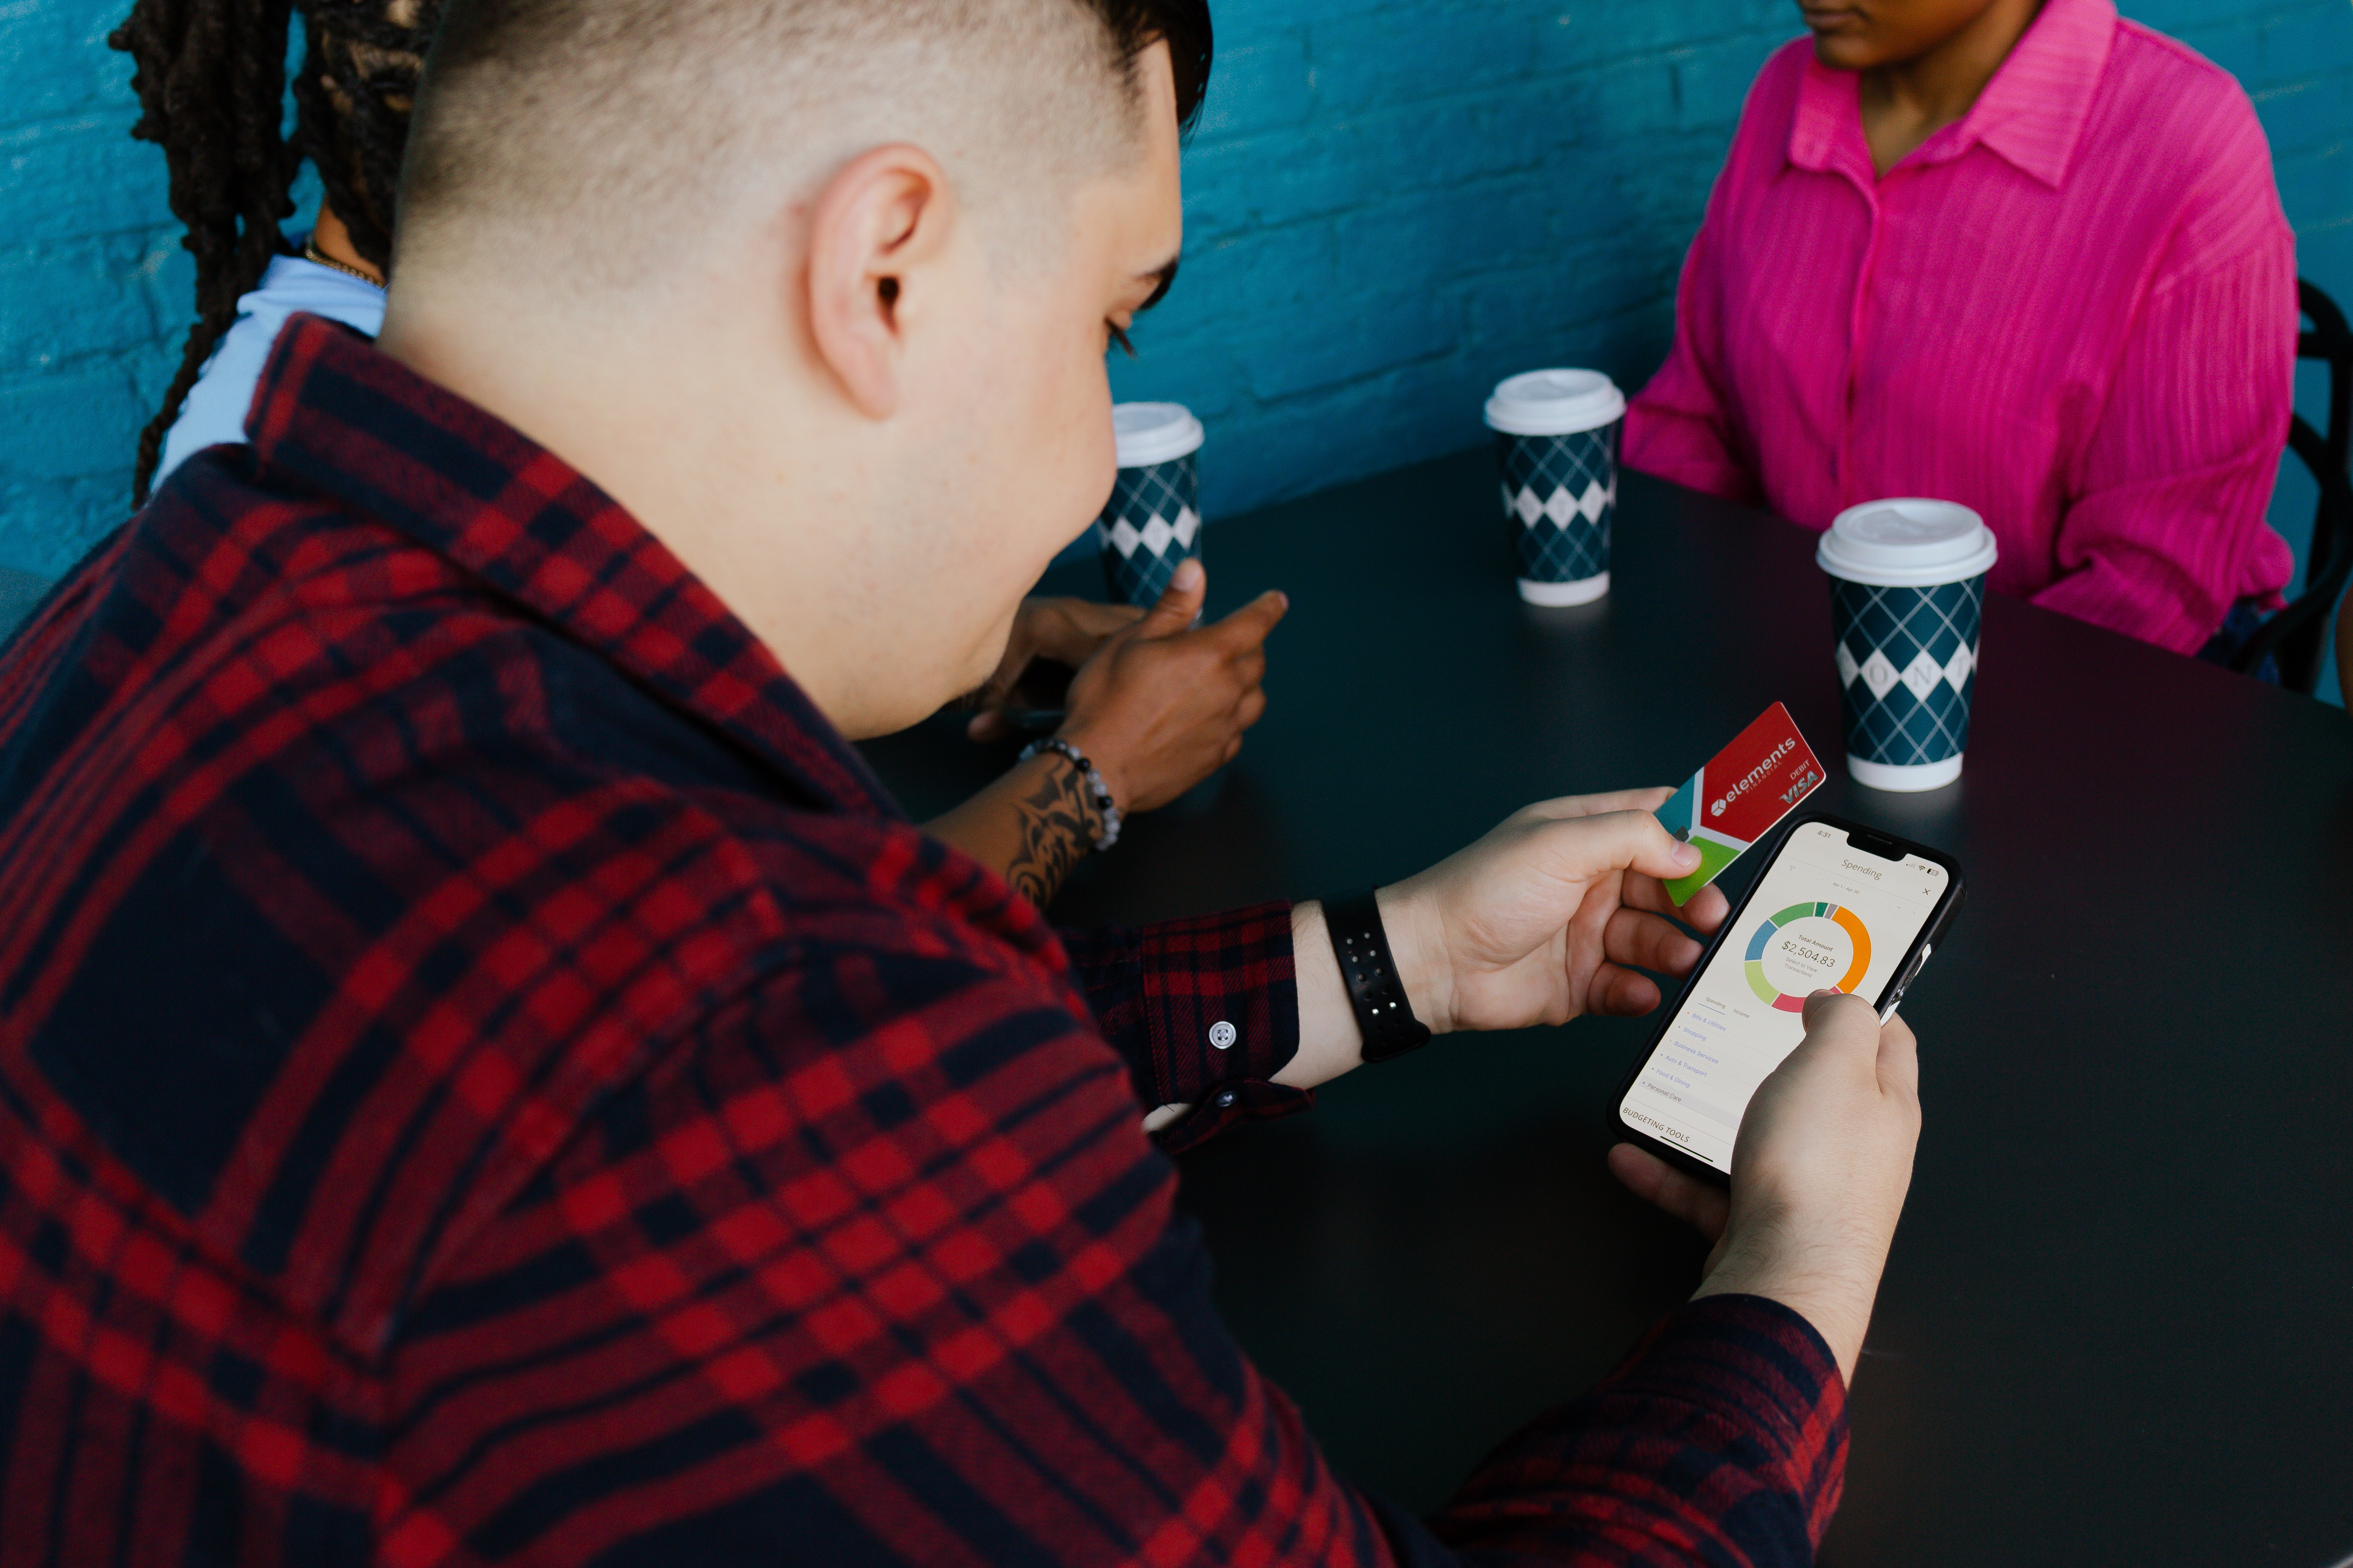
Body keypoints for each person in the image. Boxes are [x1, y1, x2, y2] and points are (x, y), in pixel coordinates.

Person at [0, 2, 1923, 1563]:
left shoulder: (135, 611)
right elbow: (828, 1068)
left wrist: (1400, 953)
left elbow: (899, 1026)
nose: (1101, 450)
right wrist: (1794, 1274)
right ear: (887, 268)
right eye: (1112, 318)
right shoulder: (737, 1055)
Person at [110, 0, 1275, 909]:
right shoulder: (297, 481)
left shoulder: (399, 426)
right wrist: (1090, 776)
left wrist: (969, 644)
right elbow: (735, 976)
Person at [1625, 0, 2299, 663]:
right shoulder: (1786, 90)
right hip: (1798, 664)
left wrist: (1881, 709)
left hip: (2107, 689)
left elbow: (2152, 583)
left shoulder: (2180, 140)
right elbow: (1692, 418)